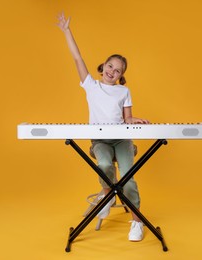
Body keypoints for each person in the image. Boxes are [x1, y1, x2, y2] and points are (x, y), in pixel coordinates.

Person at [56, 12, 149, 242]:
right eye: (110, 66)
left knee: (128, 176)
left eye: (117, 71)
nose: (112, 72)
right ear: (103, 66)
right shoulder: (92, 86)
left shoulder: (124, 91)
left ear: (121, 76)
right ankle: (107, 194)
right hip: (100, 141)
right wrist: (67, 31)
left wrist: (134, 119)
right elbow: (77, 59)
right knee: (105, 164)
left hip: (121, 140)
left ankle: (137, 222)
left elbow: (127, 119)